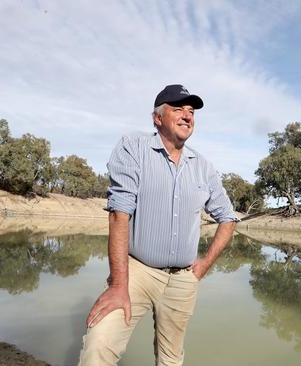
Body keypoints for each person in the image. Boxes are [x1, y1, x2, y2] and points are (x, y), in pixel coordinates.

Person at [78, 84, 238, 366]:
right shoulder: (134, 147)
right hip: (135, 271)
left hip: (184, 279)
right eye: (178, 109)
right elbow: (119, 213)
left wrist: (203, 266)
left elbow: (227, 217)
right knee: (99, 345)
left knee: (171, 359)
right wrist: (118, 284)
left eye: (191, 111)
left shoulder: (204, 167)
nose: (187, 116)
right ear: (157, 118)